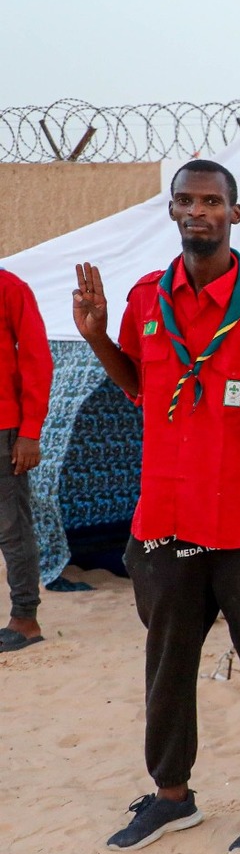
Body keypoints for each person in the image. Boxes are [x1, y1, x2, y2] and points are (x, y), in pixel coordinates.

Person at [74, 160, 240, 854]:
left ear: (234, 214)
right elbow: (139, 384)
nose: (198, 212)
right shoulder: (145, 299)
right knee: (167, 663)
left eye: (212, 201)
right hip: (169, 517)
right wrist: (97, 337)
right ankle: (171, 796)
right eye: (186, 200)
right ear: (172, 210)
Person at [0, 264, 52, 651]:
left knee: (12, 528)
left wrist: (30, 431)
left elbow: (37, 359)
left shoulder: (10, 288)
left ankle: (25, 619)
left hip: (4, 431)